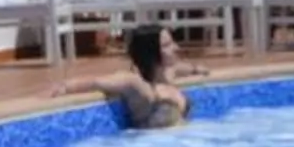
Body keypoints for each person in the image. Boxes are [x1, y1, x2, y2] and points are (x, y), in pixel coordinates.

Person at [53, 22, 198, 130]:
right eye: (167, 45)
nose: (176, 48)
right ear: (151, 53)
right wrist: (66, 86)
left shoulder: (167, 76)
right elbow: (97, 82)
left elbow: (180, 68)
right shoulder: (140, 86)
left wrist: (196, 69)